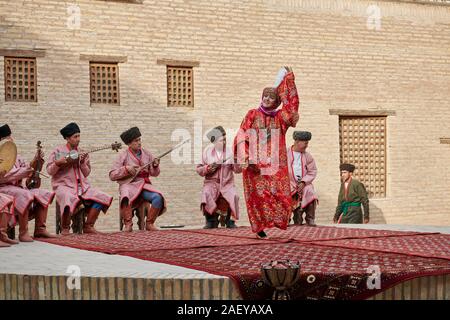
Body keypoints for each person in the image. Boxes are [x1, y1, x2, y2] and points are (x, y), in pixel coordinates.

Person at [234, 66, 299, 239]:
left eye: (271, 97)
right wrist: (245, 156)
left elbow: (292, 110)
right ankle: (259, 228)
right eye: (265, 96)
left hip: (276, 164)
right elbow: (242, 134)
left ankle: (276, 221)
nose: (267, 99)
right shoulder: (252, 114)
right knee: (256, 197)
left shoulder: (280, 118)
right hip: (255, 165)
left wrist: (289, 81)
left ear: (277, 101)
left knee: (281, 195)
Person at [46, 122, 113, 235]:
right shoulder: (58, 151)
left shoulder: (82, 152)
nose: (78, 139)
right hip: (64, 186)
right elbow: (49, 171)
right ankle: (65, 228)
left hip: (83, 187)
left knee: (102, 196)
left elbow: (86, 173)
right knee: (67, 197)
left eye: (79, 136)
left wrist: (82, 163)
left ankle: (89, 225)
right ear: (67, 138)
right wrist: (58, 163)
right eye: (75, 136)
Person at [0, 124, 56, 242]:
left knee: (43, 193)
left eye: (10, 137)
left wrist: (36, 161)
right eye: (6, 138)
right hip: (3, 189)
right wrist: (22, 173)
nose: (10, 139)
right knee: (24, 194)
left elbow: (28, 176)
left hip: (18, 188)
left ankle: (40, 229)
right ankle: (23, 232)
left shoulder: (17, 157)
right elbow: (3, 177)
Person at [109, 127, 166, 232]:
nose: (139, 143)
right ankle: (128, 224)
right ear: (129, 144)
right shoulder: (123, 155)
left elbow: (155, 174)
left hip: (143, 184)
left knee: (158, 197)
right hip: (129, 184)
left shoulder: (147, 154)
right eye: (136, 141)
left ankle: (149, 223)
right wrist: (126, 169)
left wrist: (155, 165)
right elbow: (112, 175)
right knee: (125, 194)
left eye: (140, 140)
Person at [196, 126, 242, 229]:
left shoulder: (230, 152)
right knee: (207, 192)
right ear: (214, 141)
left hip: (227, 183)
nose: (224, 143)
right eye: (221, 140)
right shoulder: (206, 151)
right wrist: (209, 168)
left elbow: (237, 170)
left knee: (234, 195)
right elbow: (199, 169)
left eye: (225, 140)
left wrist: (236, 161)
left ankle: (229, 220)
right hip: (211, 183)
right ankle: (211, 220)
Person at [287, 131, 318, 226]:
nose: (306, 145)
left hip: (304, 184)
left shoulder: (307, 156)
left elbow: (312, 171)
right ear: (297, 142)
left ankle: (310, 218)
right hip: (288, 183)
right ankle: (285, 219)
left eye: (307, 143)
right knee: (284, 193)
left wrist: (304, 182)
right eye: (305, 143)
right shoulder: (284, 153)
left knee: (310, 191)